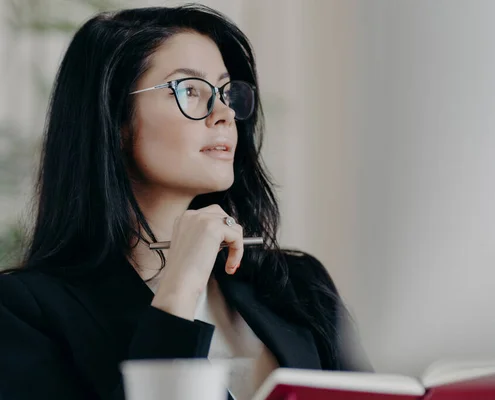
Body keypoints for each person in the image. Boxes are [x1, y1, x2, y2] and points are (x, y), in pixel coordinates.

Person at [0, 4, 371, 400]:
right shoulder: (26, 312)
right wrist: (179, 289)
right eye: (189, 90)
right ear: (116, 121)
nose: (225, 113)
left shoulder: (299, 285)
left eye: (227, 92)